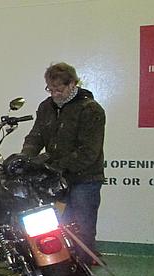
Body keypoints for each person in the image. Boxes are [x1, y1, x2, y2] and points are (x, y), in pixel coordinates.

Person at [21, 62, 106, 265]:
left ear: (73, 84)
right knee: (58, 225)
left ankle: (84, 268)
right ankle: (63, 269)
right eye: (50, 89)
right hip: (56, 178)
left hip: (85, 179)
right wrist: (25, 158)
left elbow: (89, 152)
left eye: (59, 89)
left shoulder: (90, 110)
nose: (55, 94)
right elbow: (36, 136)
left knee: (83, 228)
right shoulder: (45, 107)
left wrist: (56, 166)